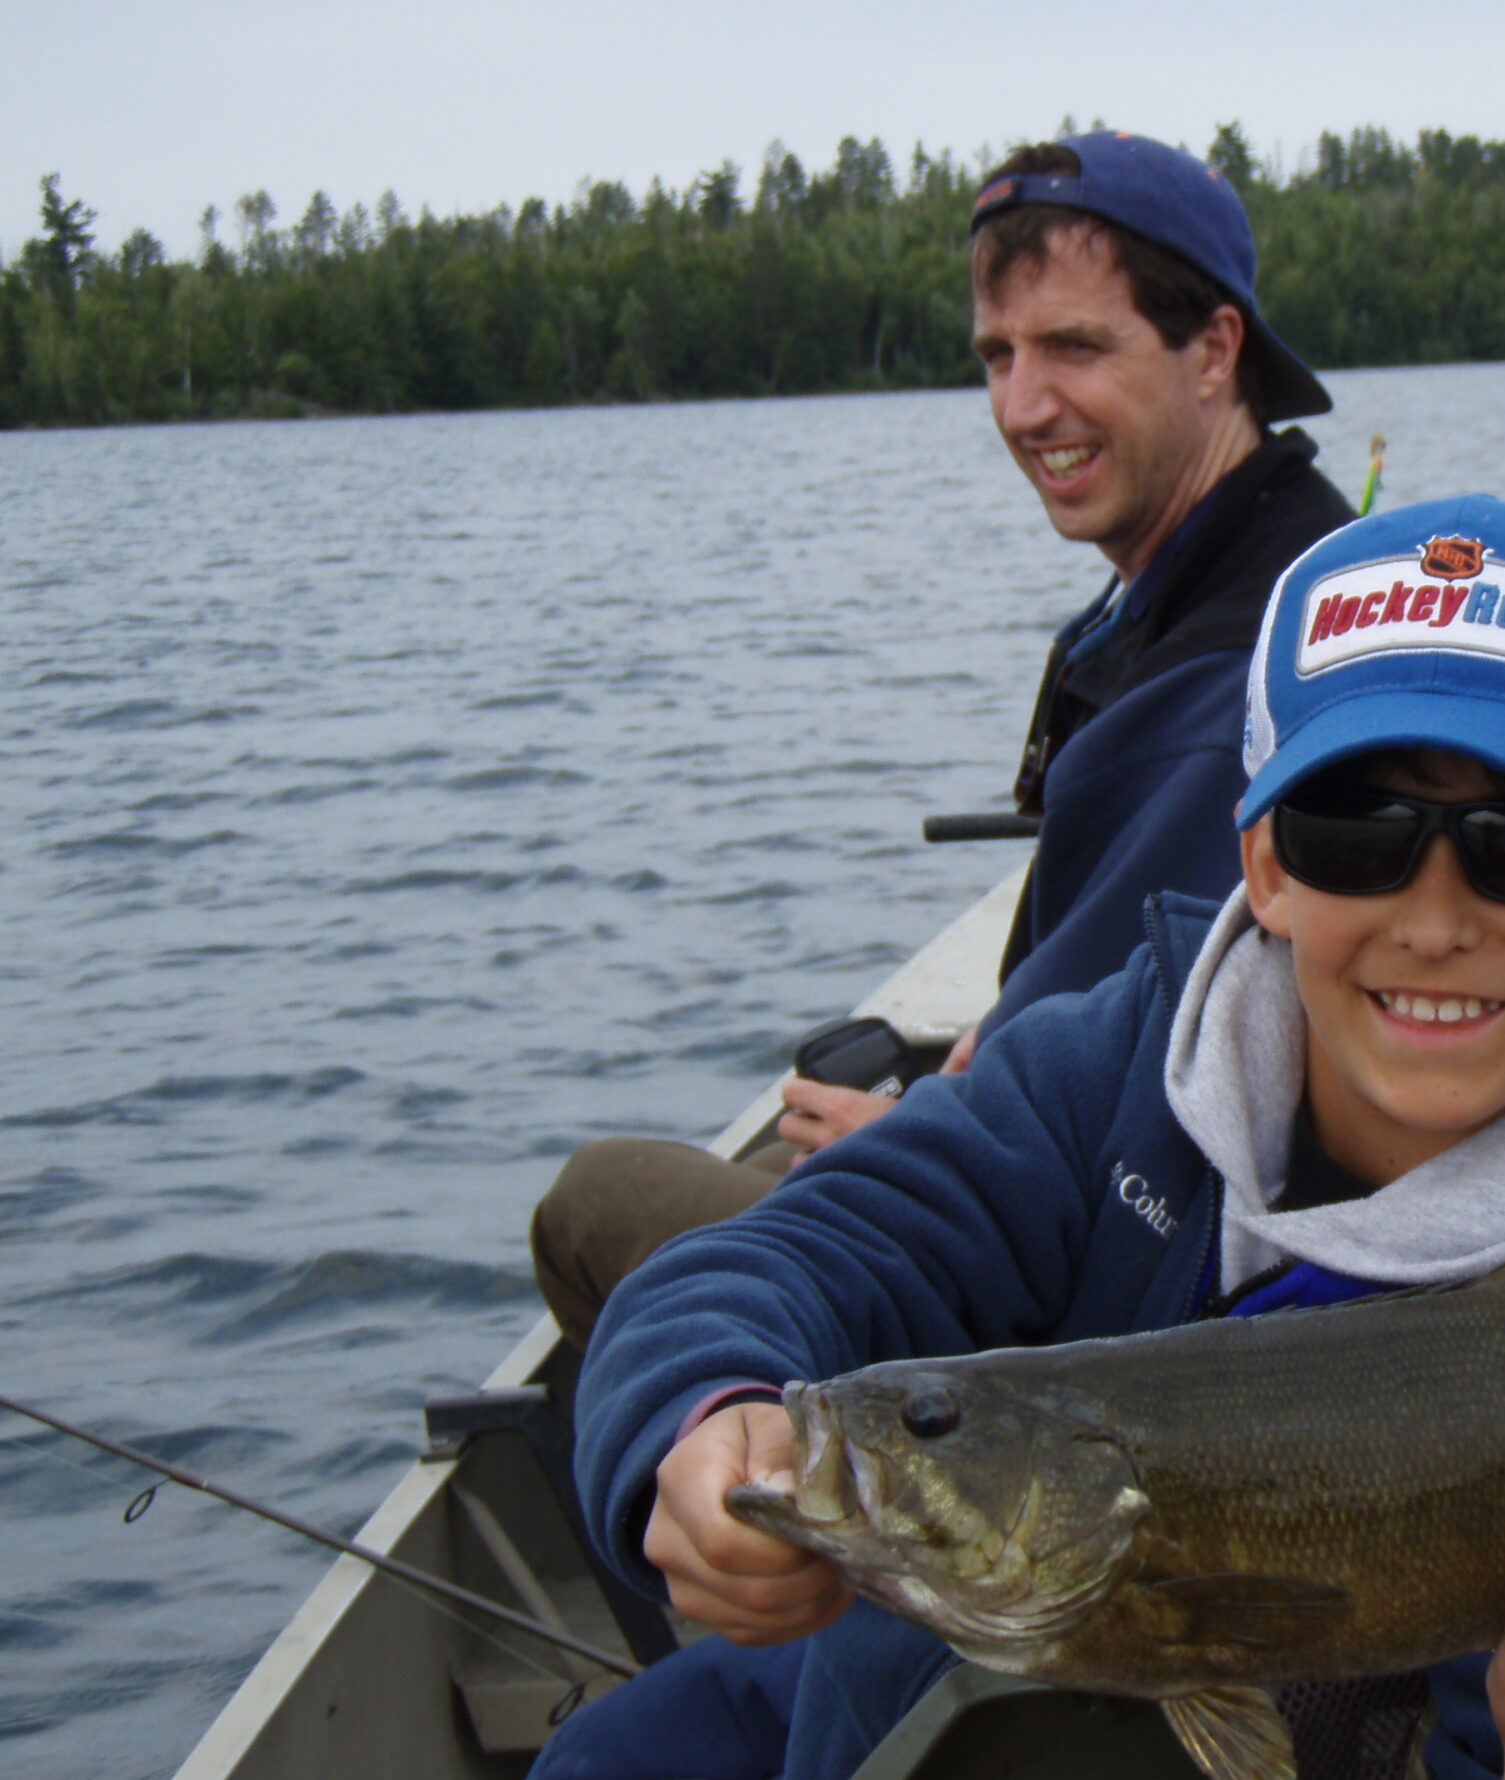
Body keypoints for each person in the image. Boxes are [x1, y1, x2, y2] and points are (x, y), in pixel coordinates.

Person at [564, 495, 1505, 1780]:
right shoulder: (1099, 1085)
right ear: (1266, 864)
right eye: (1356, 826)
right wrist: (700, 1423)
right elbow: (782, 1258)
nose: (1435, 913)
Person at [530, 130, 1354, 1349]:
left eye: (1075, 346)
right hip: (1142, 1202)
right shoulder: (1278, 570)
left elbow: (1125, 1131)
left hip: (1114, 1302)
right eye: (997, 355)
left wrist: (923, 1138)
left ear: (1214, 350)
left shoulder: (1214, 686)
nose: (1024, 406)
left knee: (598, 1206)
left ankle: (752, 1520)